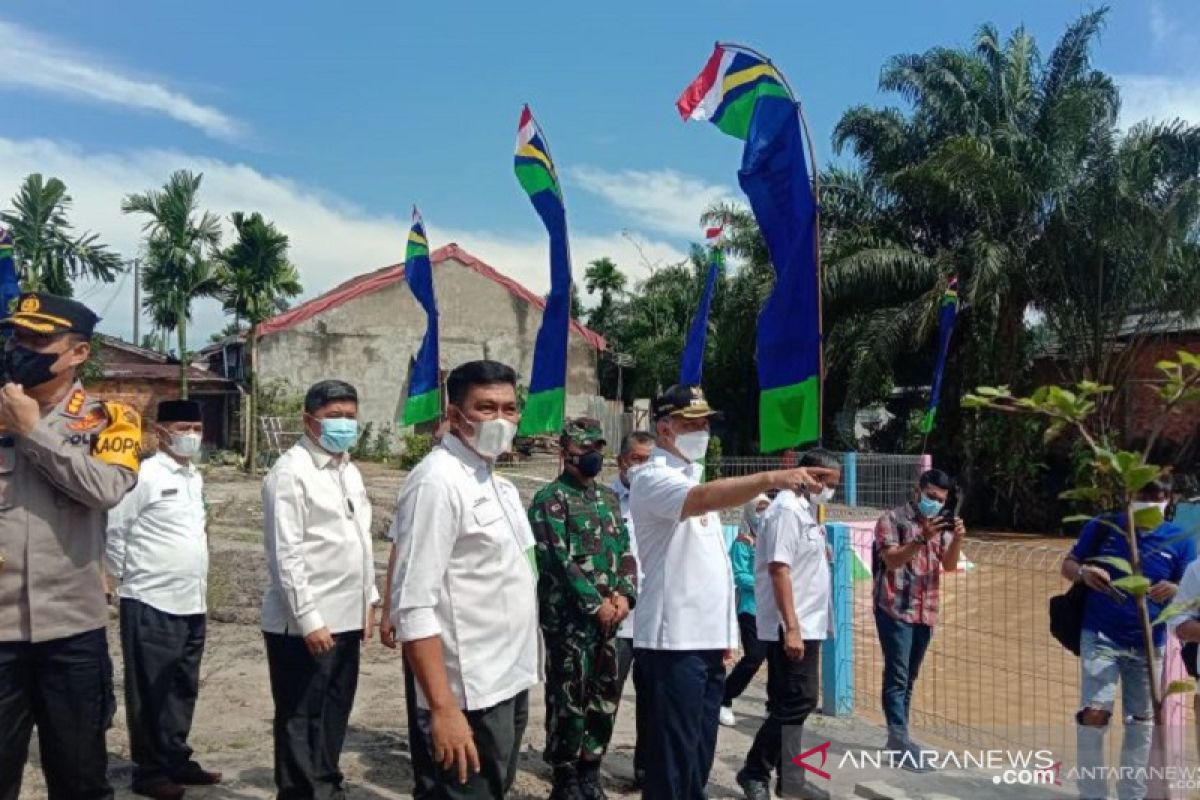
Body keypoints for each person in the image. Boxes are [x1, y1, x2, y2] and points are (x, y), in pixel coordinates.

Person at [630, 384, 837, 800]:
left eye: (706, 423)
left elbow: (715, 572)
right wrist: (772, 477)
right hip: (673, 643)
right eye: (692, 423)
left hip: (704, 643)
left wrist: (725, 636)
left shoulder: (690, 477)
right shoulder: (655, 478)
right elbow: (703, 499)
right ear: (665, 427)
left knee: (698, 756)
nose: (703, 430)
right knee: (672, 760)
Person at [0, 292, 141, 800]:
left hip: (72, 635)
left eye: (40, 340)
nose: (22, 349)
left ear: (78, 353)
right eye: (17, 337)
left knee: (80, 780)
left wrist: (33, 433)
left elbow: (105, 490)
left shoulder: (110, 420)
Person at [389, 360, 540, 800]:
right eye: (486, 408)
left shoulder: (497, 483)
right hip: (467, 692)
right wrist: (442, 707)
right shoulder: (436, 482)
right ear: (454, 416)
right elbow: (413, 605)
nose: (500, 420)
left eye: (509, 409)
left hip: (506, 679)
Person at [261, 379, 379, 799]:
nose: (344, 425)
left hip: (347, 616)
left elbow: (360, 540)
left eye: (350, 417)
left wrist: (369, 601)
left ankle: (326, 783)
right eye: (334, 417)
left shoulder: (348, 468)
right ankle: (299, 791)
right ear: (309, 420)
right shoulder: (291, 473)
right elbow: (286, 556)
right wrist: (309, 619)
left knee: (333, 710)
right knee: (300, 714)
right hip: (305, 624)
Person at [106, 399, 220, 798]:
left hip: (191, 599)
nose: (191, 436)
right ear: (161, 431)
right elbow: (116, 530)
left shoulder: (194, 477)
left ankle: (175, 757)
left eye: (196, 428)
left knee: (182, 685)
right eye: (183, 427)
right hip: (151, 598)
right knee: (150, 689)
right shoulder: (145, 475)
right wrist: (124, 578)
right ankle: (150, 771)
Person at [1063, 475, 1194, 800]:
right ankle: (1091, 793)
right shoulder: (1105, 526)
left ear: (1168, 500)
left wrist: (1176, 589)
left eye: (1158, 497)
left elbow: (1192, 588)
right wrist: (1083, 574)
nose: (1150, 503)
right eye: (1143, 496)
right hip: (1101, 635)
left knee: (1141, 721)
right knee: (1094, 713)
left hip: (1150, 643)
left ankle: (1131, 794)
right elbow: (1068, 564)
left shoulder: (1180, 539)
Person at [529, 418, 638, 800]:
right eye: (584, 450)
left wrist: (624, 595)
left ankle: (591, 768)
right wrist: (594, 605)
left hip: (610, 620)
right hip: (569, 622)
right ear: (566, 453)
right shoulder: (549, 501)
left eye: (597, 450)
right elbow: (556, 560)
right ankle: (565, 774)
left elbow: (625, 550)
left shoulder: (607, 499)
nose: (592, 457)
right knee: (568, 698)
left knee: (604, 697)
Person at [736, 451, 841, 800]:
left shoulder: (806, 512)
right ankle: (754, 770)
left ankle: (790, 778)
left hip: (809, 622)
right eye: (827, 483)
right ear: (810, 476)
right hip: (792, 623)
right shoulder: (784, 512)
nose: (829, 491)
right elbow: (778, 569)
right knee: (801, 700)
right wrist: (791, 627)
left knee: (788, 701)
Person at [871, 468, 965, 770]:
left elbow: (948, 566)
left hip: (927, 610)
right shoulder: (892, 519)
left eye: (940, 500)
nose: (934, 503)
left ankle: (898, 737)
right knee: (897, 677)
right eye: (931, 497)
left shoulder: (941, 525)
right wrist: (922, 539)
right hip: (895, 608)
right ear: (918, 490)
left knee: (908, 678)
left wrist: (958, 539)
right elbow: (891, 559)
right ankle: (900, 744)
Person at [610, 431, 654, 790]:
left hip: (655, 622)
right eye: (637, 459)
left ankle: (646, 771)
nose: (642, 467)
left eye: (649, 460)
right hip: (616, 620)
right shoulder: (604, 500)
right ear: (622, 460)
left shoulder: (663, 499)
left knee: (653, 702)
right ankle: (586, 767)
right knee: (604, 697)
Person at [720, 493, 771, 728]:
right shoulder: (742, 543)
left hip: (775, 609)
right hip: (751, 608)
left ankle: (773, 705)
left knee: (779, 658)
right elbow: (739, 576)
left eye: (766, 509)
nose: (763, 515)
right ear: (750, 512)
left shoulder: (773, 540)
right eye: (758, 510)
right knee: (754, 656)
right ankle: (724, 697)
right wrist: (766, 583)